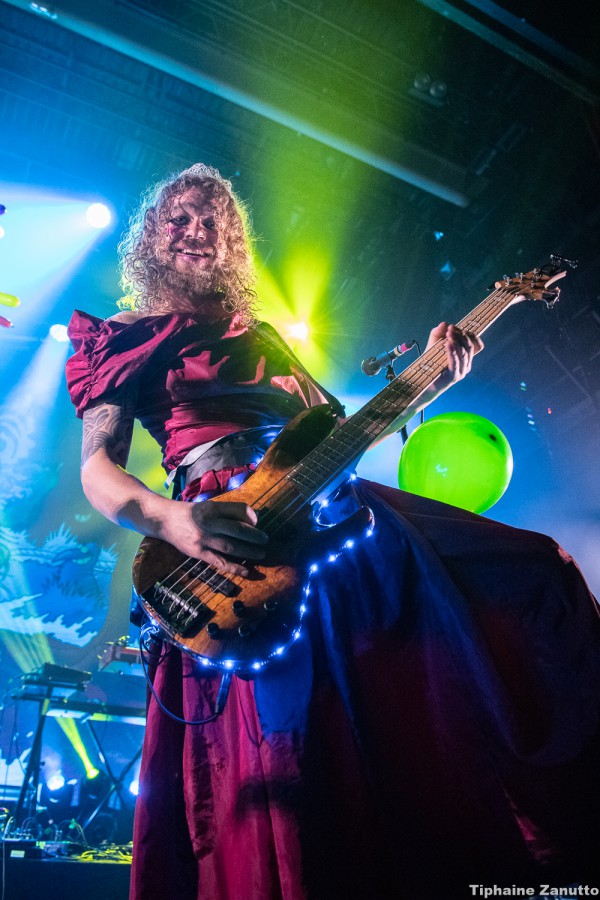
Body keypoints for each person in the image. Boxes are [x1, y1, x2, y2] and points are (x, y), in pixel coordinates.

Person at [66, 164, 600, 900]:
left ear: (233, 243)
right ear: (150, 238)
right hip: (229, 541)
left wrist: (435, 377)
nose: (197, 231)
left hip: (330, 527)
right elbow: (97, 470)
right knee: (282, 749)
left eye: (214, 221)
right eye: (179, 218)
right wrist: (172, 519)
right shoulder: (123, 334)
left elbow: (337, 440)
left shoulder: (266, 337)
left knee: (536, 572)